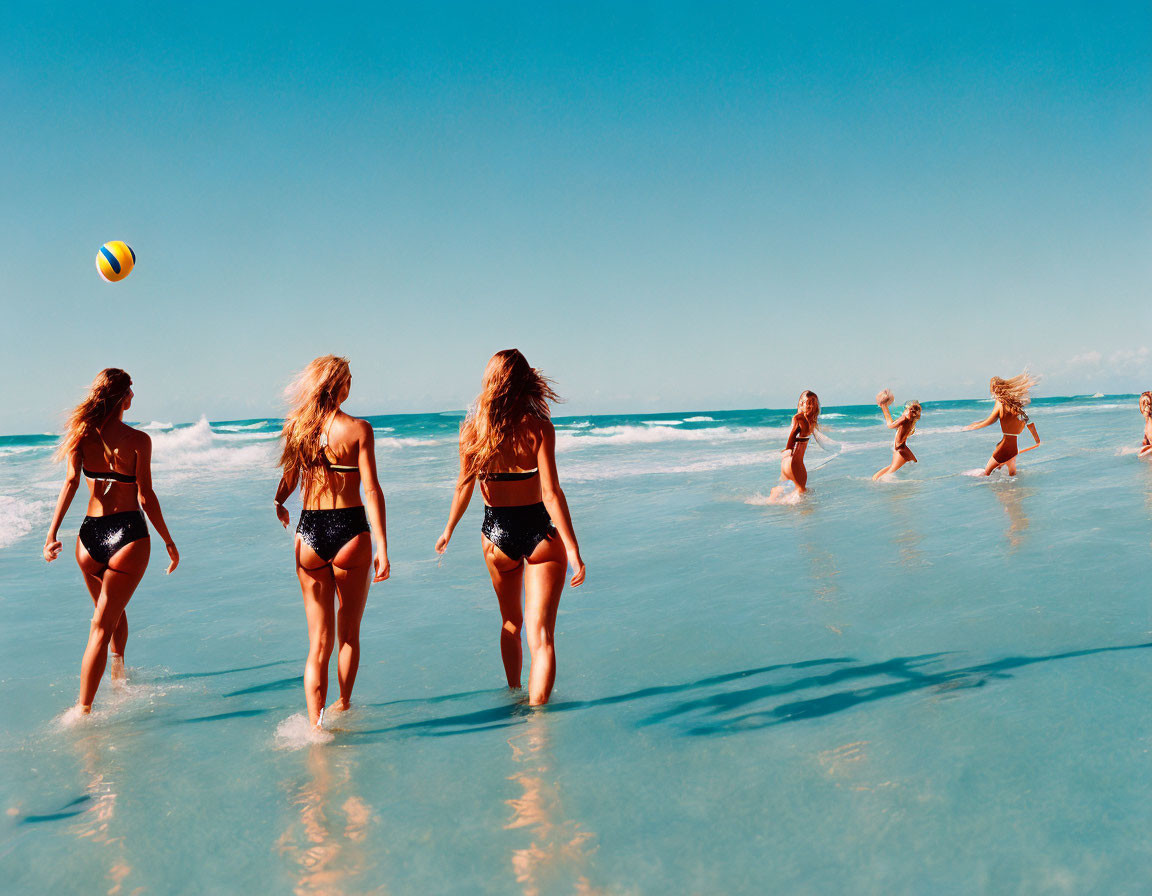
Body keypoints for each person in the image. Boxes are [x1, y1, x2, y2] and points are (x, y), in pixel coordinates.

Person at [435, 349, 585, 706]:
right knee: (542, 637)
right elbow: (551, 493)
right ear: (523, 383)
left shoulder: (472, 432)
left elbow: (463, 486)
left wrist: (448, 529)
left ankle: (515, 696)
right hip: (539, 534)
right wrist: (574, 549)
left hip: (495, 536)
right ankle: (538, 724)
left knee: (510, 624)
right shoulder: (539, 428)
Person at [42, 368, 179, 713]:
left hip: (88, 537)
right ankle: (83, 711)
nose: (134, 396)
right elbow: (146, 497)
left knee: (109, 612)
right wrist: (168, 541)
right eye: (131, 390)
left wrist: (52, 534)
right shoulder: (139, 440)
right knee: (101, 625)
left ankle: (119, 674)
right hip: (128, 535)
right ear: (122, 397)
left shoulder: (81, 435)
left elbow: (71, 482)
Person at [274, 356, 389, 729]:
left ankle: (314, 727)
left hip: (309, 533)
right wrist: (383, 546)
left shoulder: (298, 429)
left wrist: (278, 501)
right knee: (349, 634)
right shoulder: (359, 429)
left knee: (317, 644)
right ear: (337, 384)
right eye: (348, 379)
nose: (351, 385)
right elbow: (370, 488)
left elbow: (289, 480)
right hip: (351, 531)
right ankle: (343, 704)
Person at [963, 372, 1041, 475]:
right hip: (1013, 448)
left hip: (1004, 448)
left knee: (986, 474)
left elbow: (990, 421)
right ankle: (1015, 490)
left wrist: (974, 427)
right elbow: (1029, 423)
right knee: (1012, 475)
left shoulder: (1000, 402)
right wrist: (1037, 440)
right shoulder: (1017, 406)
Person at [769, 390, 825, 501]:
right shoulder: (799, 418)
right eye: (807, 402)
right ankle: (804, 515)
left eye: (813, 402)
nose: (810, 405)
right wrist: (788, 449)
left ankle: (775, 493)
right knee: (801, 491)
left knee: (799, 489)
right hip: (794, 460)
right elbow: (793, 433)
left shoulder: (811, 420)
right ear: (801, 404)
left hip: (790, 461)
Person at [872, 390, 922, 480]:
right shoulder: (906, 419)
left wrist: (884, 406)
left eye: (914, 411)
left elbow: (893, 426)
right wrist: (884, 407)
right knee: (891, 471)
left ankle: (876, 479)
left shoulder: (908, 420)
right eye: (910, 410)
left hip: (903, 448)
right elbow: (891, 426)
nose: (910, 412)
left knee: (913, 463)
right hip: (900, 449)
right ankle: (878, 481)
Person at [1139, 391, 1152, 459]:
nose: (1146, 408)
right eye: (1144, 404)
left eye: (1148, 405)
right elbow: (1145, 442)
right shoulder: (1148, 423)